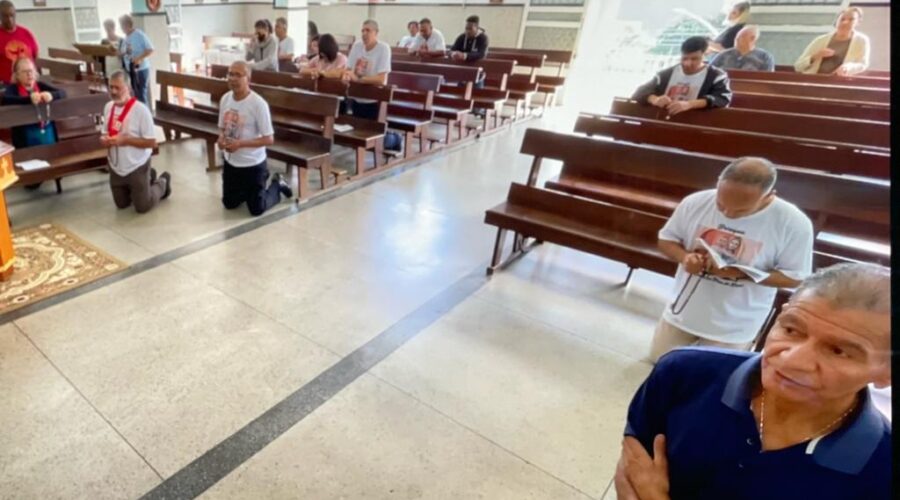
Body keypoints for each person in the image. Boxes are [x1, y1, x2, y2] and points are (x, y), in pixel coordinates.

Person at [616, 263, 891, 500]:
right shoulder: (684, 372)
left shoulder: (883, 467)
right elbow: (632, 473)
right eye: (791, 329)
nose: (793, 360)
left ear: (886, 372)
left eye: (838, 351)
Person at [649, 157, 814, 363]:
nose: (728, 213)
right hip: (682, 310)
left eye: (741, 210)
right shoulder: (696, 201)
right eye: (721, 204)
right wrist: (685, 258)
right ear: (718, 182)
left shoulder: (794, 223)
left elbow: (795, 277)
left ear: (769, 196)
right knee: (660, 364)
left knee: (711, 381)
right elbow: (666, 240)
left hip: (735, 325)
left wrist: (741, 274)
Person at [217, 61, 292, 216]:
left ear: (248, 79)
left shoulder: (258, 104)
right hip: (231, 163)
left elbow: (269, 139)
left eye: (238, 75)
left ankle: (277, 184)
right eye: (230, 74)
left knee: (257, 209)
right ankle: (249, 190)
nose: (233, 78)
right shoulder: (225, 99)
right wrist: (221, 139)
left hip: (253, 164)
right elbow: (222, 128)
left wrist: (240, 144)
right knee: (229, 203)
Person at [100, 70, 171, 213]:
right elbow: (104, 133)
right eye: (111, 87)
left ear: (128, 88)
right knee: (122, 204)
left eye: (117, 88)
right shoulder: (108, 107)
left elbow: (151, 142)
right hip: (116, 166)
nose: (113, 91)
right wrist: (103, 140)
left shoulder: (141, 110)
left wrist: (125, 140)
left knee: (142, 206)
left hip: (137, 164)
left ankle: (162, 183)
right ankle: (148, 176)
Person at [633, 36, 732, 116]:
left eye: (694, 59)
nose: (688, 63)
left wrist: (690, 104)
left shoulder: (716, 76)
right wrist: (655, 100)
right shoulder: (666, 74)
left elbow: (722, 99)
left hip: (697, 123)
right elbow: (640, 92)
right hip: (665, 119)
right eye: (685, 58)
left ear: (704, 55)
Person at [342, 20, 401, 151]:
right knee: (360, 133)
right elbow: (349, 69)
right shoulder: (357, 46)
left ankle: (396, 138)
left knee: (376, 138)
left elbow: (381, 79)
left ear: (376, 33)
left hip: (375, 98)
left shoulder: (383, 48)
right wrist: (347, 76)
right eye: (362, 30)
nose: (364, 33)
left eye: (368, 30)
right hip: (357, 96)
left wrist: (358, 79)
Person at [2, 58, 64, 149]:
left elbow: (62, 93)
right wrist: (29, 99)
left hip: (47, 131)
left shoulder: (40, 85)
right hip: (24, 137)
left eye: (31, 71)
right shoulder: (13, 89)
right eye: (25, 71)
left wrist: (51, 95)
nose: (29, 74)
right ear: (17, 75)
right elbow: (6, 100)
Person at [795, 7, 869, 76]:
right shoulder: (821, 40)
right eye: (842, 19)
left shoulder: (861, 41)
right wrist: (816, 56)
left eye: (851, 19)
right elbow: (798, 66)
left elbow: (862, 64)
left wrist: (848, 67)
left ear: (858, 22)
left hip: (841, 84)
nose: (845, 22)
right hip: (814, 81)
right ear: (837, 21)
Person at [0, 0, 38, 84]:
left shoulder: (26, 33)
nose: (10, 19)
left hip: (29, 83)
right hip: (6, 85)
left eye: (12, 15)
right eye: (5, 16)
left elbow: (35, 56)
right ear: (0, 16)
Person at [119, 14, 153, 105]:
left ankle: (146, 117)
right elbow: (123, 52)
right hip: (131, 69)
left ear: (127, 25)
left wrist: (139, 58)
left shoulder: (139, 34)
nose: (121, 28)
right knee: (136, 95)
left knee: (141, 95)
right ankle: (140, 116)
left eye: (122, 26)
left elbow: (150, 50)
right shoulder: (126, 37)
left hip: (141, 69)